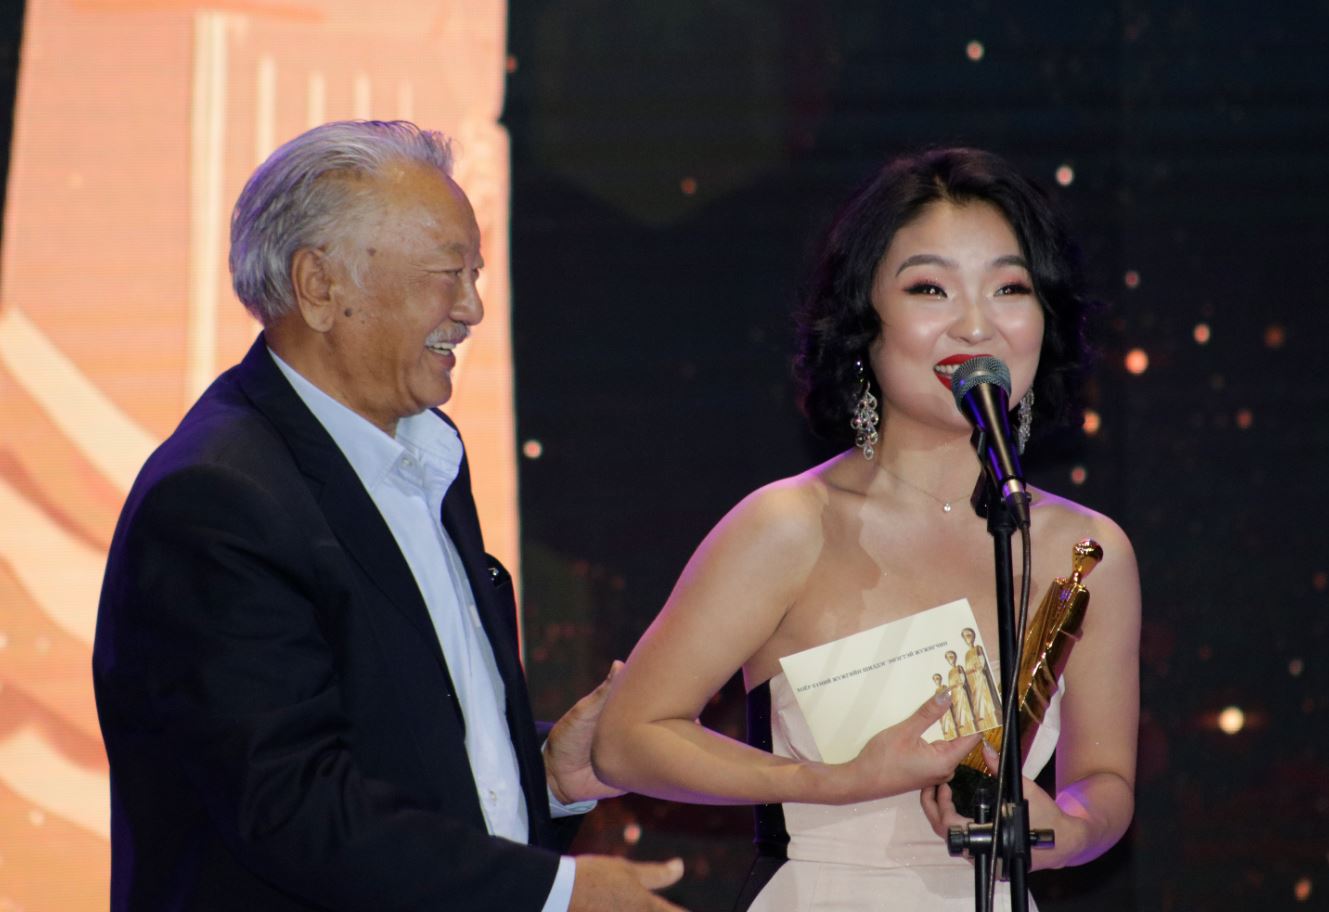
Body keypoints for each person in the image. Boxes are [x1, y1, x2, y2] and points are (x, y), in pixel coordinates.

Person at [92, 120, 685, 912]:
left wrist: (541, 775)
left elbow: (396, 745)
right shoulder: (218, 500)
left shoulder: (421, 451)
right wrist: (557, 891)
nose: (472, 308)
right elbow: (291, 808)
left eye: (475, 274)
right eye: (447, 274)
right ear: (319, 286)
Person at [591, 147, 1140, 910]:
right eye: (929, 288)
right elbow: (627, 738)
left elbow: (1103, 781)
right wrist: (831, 781)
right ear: (862, 323)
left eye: (1009, 287)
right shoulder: (789, 525)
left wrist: (1064, 830)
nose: (975, 323)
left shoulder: (1084, 549)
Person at [961, 626, 1001, 729]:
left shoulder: (978, 649)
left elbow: (982, 665)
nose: (968, 638)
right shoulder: (967, 655)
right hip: (972, 681)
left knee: (987, 701)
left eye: (969, 635)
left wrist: (975, 669)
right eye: (965, 636)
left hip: (981, 679)